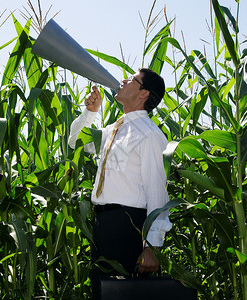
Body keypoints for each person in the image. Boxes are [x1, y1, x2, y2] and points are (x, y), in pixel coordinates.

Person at [68, 68, 172, 299]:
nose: (123, 81)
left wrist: (152, 247)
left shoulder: (150, 135)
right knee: (102, 293)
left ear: (143, 93)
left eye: (132, 79)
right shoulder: (114, 129)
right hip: (102, 224)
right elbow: (75, 142)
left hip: (129, 227)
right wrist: (89, 113)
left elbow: (157, 193)